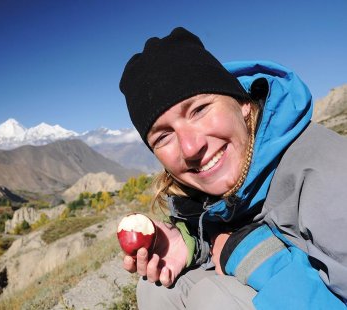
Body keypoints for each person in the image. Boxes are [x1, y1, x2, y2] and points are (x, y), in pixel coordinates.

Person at [119, 27, 347, 309]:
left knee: (215, 300)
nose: (190, 148)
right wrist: (188, 241)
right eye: (163, 136)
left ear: (242, 104)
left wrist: (257, 257)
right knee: (158, 289)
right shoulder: (227, 179)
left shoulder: (330, 179)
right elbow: (230, 227)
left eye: (199, 110)